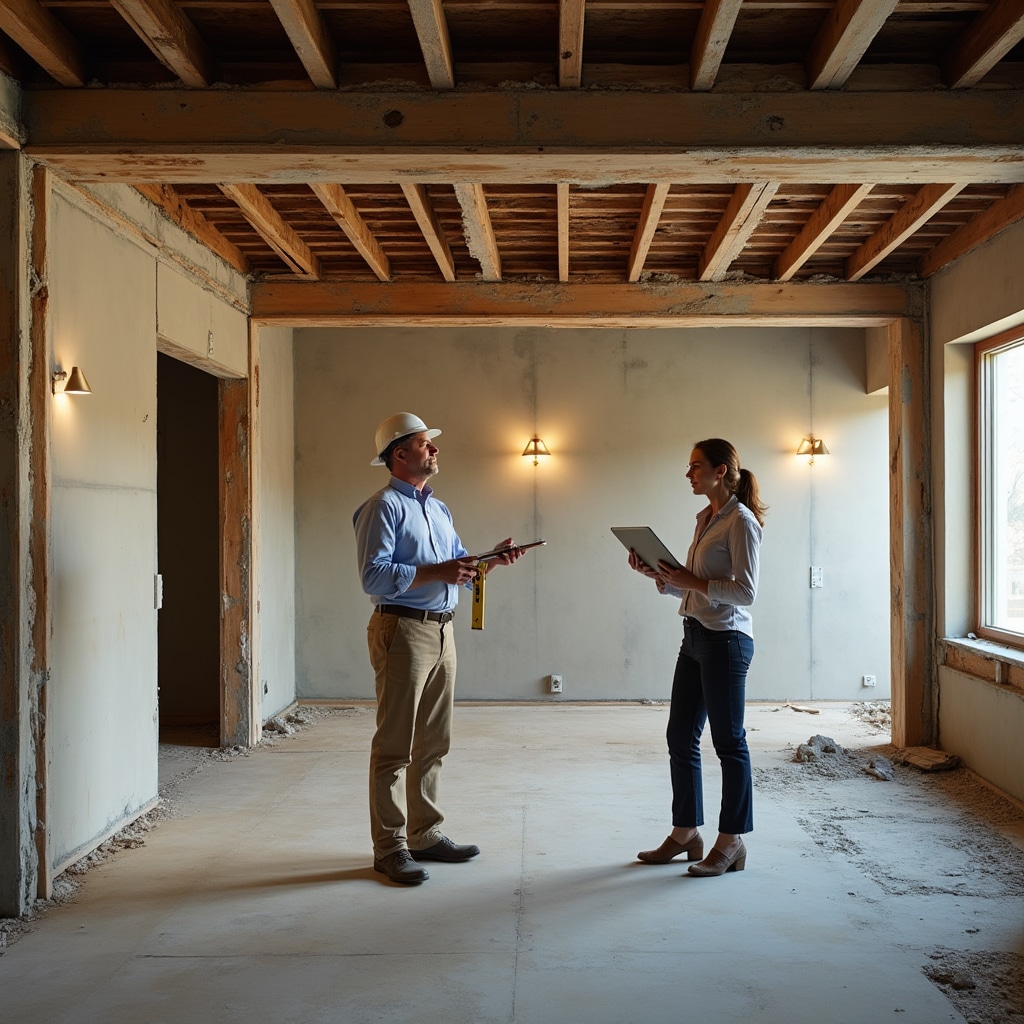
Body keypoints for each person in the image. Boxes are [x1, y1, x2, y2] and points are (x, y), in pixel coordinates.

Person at [353, 412, 525, 885]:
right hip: (402, 631)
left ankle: (425, 834)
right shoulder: (382, 507)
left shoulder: (439, 509)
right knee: (393, 747)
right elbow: (373, 576)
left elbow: (456, 568)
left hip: (443, 630)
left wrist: (490, 561)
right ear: (399, 453)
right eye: (426, 445)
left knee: (433, 742)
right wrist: (438, 573)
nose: (435, 451)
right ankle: (389, 847)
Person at [628, 438, 767, 877]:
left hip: (725, 641)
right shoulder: (706, 518)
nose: (688, 474)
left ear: (721, 471)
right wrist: (661, 577)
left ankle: (732, 842)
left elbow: (746, 592)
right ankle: (686, 833)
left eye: (695, 466)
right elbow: (694, 584)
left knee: (729, 743)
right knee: (680, 737)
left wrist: (691, 580)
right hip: (693, 636)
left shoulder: (741, 522)